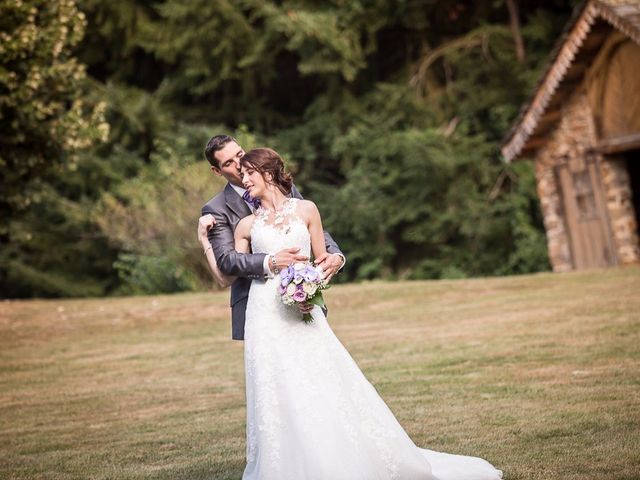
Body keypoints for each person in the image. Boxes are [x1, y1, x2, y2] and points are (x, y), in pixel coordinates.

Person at [207, 147, 503, 480]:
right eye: (237, 172)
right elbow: (229, 270)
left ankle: (336, 457)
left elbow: (323, 259)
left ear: (268, 173)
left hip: (302, 310)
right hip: (264, 313)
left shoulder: (306, 209)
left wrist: (310, 290)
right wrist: (206, 240)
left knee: (321, 379)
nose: (242, 179)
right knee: (274, 387)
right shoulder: (245, 224)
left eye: (248, 172)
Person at [199, 134, 345, 340]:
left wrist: (336, 255)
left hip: (301, 296)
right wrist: (271, 262)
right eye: (229, 163)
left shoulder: (284, 187)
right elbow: (227, 260)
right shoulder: (216, 209)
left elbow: (309, 225)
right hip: (258, 301)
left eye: (240, 155)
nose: (239, 164)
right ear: (217, 171)